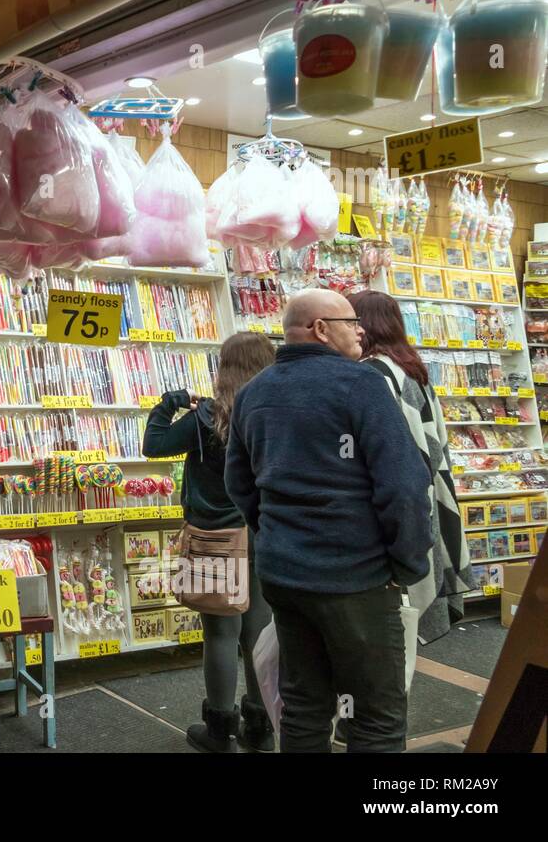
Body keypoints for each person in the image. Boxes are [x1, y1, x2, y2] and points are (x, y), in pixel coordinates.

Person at [224, 288, 433, 753]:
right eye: (351, 321)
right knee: (375, 715)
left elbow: (240, 484)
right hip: (356, 576)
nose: (360, 329)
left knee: (302, 705)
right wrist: (408, 562)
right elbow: (403, 487)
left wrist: (279, 537)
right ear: (321, 328)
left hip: (285, 576)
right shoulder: (360, 385)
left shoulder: (254, 393)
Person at [143, 332, 276, 752]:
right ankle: (261, 725)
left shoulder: (207, 417)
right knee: (257, 630)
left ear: (225, 368)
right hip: (263, 531)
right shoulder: (273, 411)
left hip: (216, 533)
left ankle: (220, 732)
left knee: (220, 631)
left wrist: (170, 401)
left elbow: (153, 444)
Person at [348, 290, 471, 644]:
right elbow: (431, 446)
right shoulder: (411, 368)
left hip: (395, 504)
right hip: (425, 495)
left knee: (388, 629)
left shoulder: (374, 374)